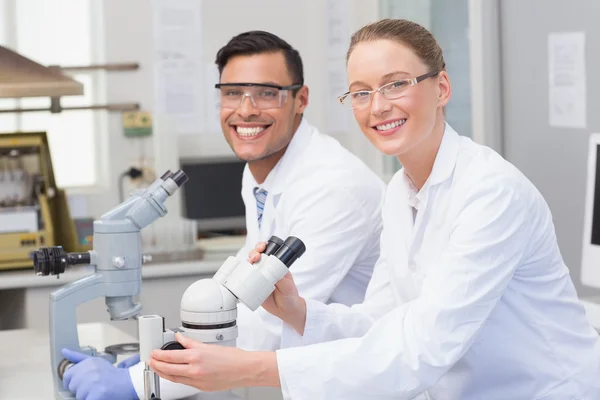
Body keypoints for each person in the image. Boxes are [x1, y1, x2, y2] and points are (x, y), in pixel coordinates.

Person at [148, 18, 600, 400]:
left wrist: (251, 369)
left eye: (396, 84)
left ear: (441, 87)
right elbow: (381, 320)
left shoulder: (492, 193)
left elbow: (421, 350)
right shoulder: (399, 191)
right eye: (360, 93)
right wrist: (297, 311)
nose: (377, 106)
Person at [60, 30, 385, 400]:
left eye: (267, 92)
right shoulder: (260, 173)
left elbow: (267, 323)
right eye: (232, 93)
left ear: (300, 99)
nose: (246, 109)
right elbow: (240, 297)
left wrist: (143, 381)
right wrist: (157, 360)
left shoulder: (334, 187)